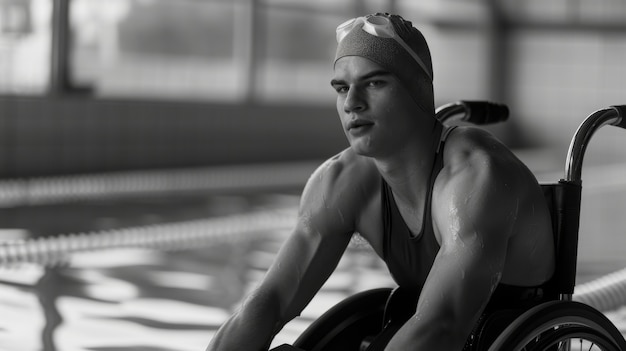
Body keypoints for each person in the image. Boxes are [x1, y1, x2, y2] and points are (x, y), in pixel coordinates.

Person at [207, 13, 555, 351]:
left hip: (506, 335)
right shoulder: (341, 181)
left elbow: (442, 326)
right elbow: (270, 301)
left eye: (374, 83)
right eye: (342, 88)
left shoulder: (475, 176)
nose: (352, 104)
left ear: (418, 91)